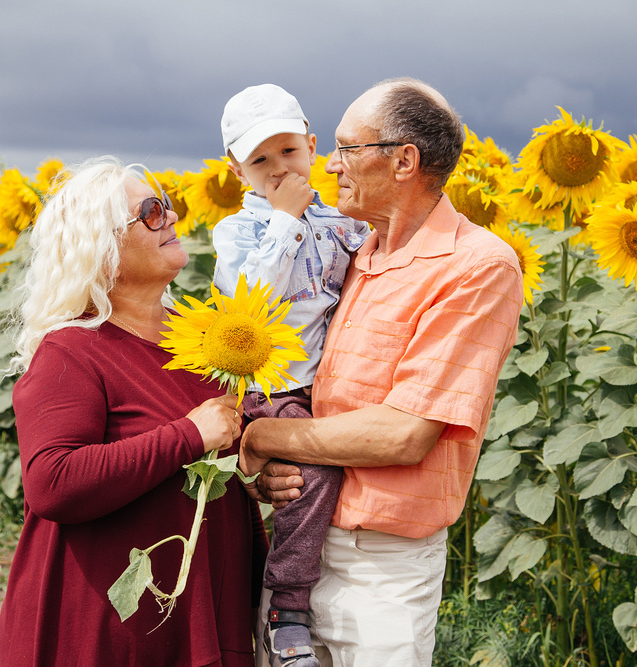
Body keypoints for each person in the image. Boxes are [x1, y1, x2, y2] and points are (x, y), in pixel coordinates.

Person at [239, 78, 524, 666]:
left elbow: (403, 433)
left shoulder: (476, 265)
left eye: (347, 148)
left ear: (403, 161)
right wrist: (265, 475)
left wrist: (261, 437)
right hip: (297, 544)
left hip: (382, 572)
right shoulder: (351, 252)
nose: (331, 165)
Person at [0, 157, 268, 667]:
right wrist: (188, 436)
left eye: (166, 205)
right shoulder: (72, 352)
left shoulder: (202, 340)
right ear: (101, 248)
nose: (171, 217)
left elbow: (218, 471)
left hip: (200, 614)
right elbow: (52, 482)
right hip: (106, 631)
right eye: (150, 212)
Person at [212, 83, 369, 667]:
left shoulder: (343, 222)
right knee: (313, 476)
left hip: (327, 381)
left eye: (288, 151)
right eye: (260, 160)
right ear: (237, 171)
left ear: (312, 146)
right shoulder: (238, 233)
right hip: (273, 385)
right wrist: (285, 220)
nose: (279, 169)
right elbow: (248, 304)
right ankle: (287, 607)